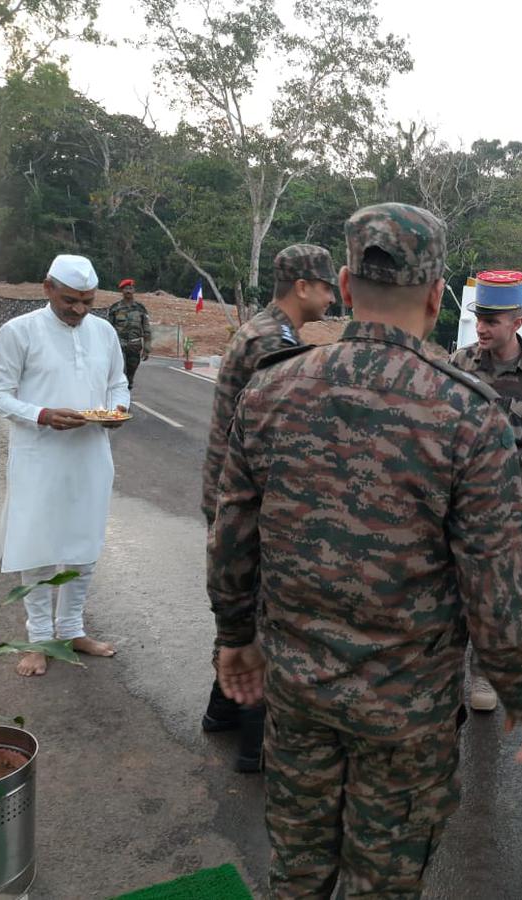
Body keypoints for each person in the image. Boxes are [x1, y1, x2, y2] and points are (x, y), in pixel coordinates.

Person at [207, 202, 522, 898]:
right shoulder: (469, 413)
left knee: (298, 872)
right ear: (435, 293)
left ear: (344, 280)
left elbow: (230, 533)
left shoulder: (273, 386)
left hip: (297, 689)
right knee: (383, 884)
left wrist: (234, 637)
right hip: (407, 715)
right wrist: (519, 689)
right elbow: (495, 583)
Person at [199, 243, 337, 773]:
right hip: (248, 502)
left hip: (231, 492)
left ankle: (222, 714)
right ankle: (255, 748)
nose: (330, 297)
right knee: (259, 621)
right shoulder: (271, 343)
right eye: (326, 287)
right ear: (302, 286)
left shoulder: (263, 330)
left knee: (246, 609)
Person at [0, 254, 130, 677]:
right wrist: (42, 414)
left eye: (87, 301)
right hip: (39, 456)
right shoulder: (18, 331)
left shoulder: (104, 332)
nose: (80, 310)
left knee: (84, 547)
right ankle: (39, 640)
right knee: (39, 547)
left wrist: (119, 408)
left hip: (91, 453)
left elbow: (117, 382)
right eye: (70, 300)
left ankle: (72, 629)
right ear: (47, 288)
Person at [449, 269, 522, 712]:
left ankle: (483, 674)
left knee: (499, 592)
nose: (482, 328)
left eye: (493, 320)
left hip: (509, 498)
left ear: (518, 322)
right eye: (479, 318)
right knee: (450, 582)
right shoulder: (458, 364)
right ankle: (443, 670)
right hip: (457, 493)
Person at [106, 278, 151, 390]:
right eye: (126, 288)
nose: (128, 291)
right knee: (121, 372)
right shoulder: (115, 308)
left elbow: (146, 328)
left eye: (130, 288)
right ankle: (120, 396)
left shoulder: (140, 309)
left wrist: (147, 347)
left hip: (134, 346)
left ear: (134, 290)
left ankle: (127, 391)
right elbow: (108, 329)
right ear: (122, 291)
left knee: (131, 374)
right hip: (119, 345)